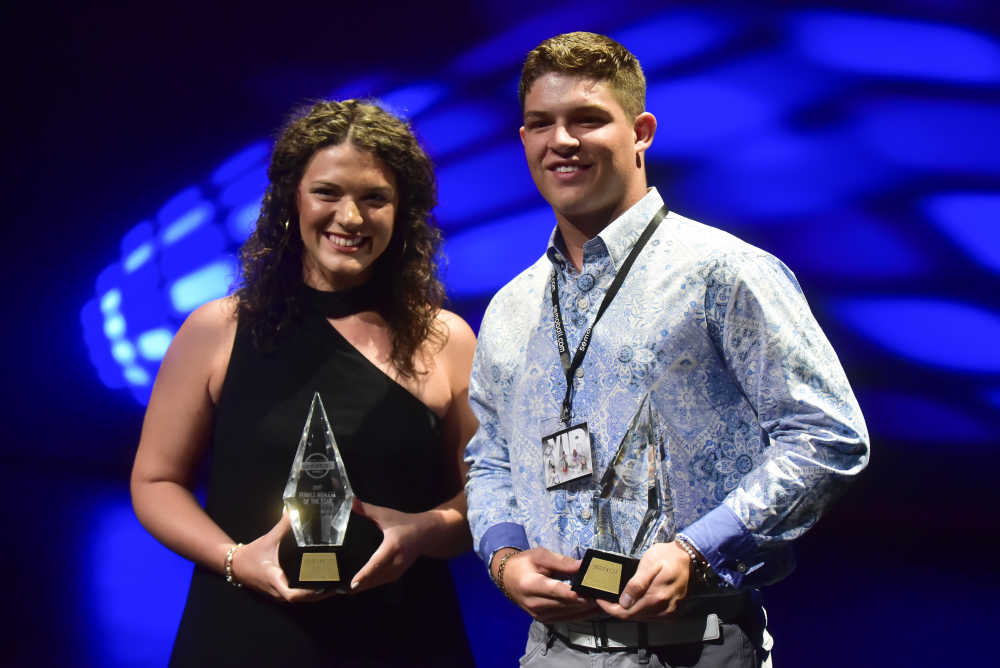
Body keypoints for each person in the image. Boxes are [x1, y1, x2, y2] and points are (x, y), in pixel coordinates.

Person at [464, 32, 870, 666]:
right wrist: (505, 557)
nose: (561, 141)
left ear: (642, 131)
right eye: (541, 124)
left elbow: (827, 435)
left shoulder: (722, 272)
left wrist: (697, 549)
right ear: (523, 141)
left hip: (694, 644)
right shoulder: (511, 308)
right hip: (550, 650)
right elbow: (489, 457)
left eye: (588, 120)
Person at [131, 99, 477, 666]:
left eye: (374, 198)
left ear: (403, 211)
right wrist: (234, 559)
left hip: (403, 636)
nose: (350, 218)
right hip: (245, 632)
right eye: (328, 193)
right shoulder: (216, 329)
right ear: (291, 199)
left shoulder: (446, 340)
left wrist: (420, 532)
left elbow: (484, 499)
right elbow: (155, 481)